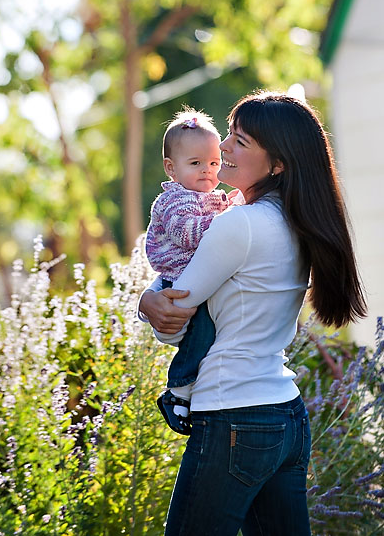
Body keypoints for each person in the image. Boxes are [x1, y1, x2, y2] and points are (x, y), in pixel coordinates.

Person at [139, 91, 366, 535]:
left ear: (276, 164)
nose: (221, 148)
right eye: (228, 135)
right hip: (285, 414)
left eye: (239, 141)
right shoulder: (291, 219)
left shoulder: (237, 224)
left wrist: (146, 302)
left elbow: (171, 325)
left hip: (233, 414)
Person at [144, 109, 239, 435]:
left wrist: (231, 207)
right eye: (196, 164)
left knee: (209, 328)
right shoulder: (173, 201)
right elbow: (190, 234)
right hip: (177, 277)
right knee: (203, 327)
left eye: (214, 164)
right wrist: (228, 219)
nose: (207, 172)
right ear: (172, 168)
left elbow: (222, 215)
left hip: (192, 275)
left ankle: (188, 387)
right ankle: (179, 388)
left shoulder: (207, 197)